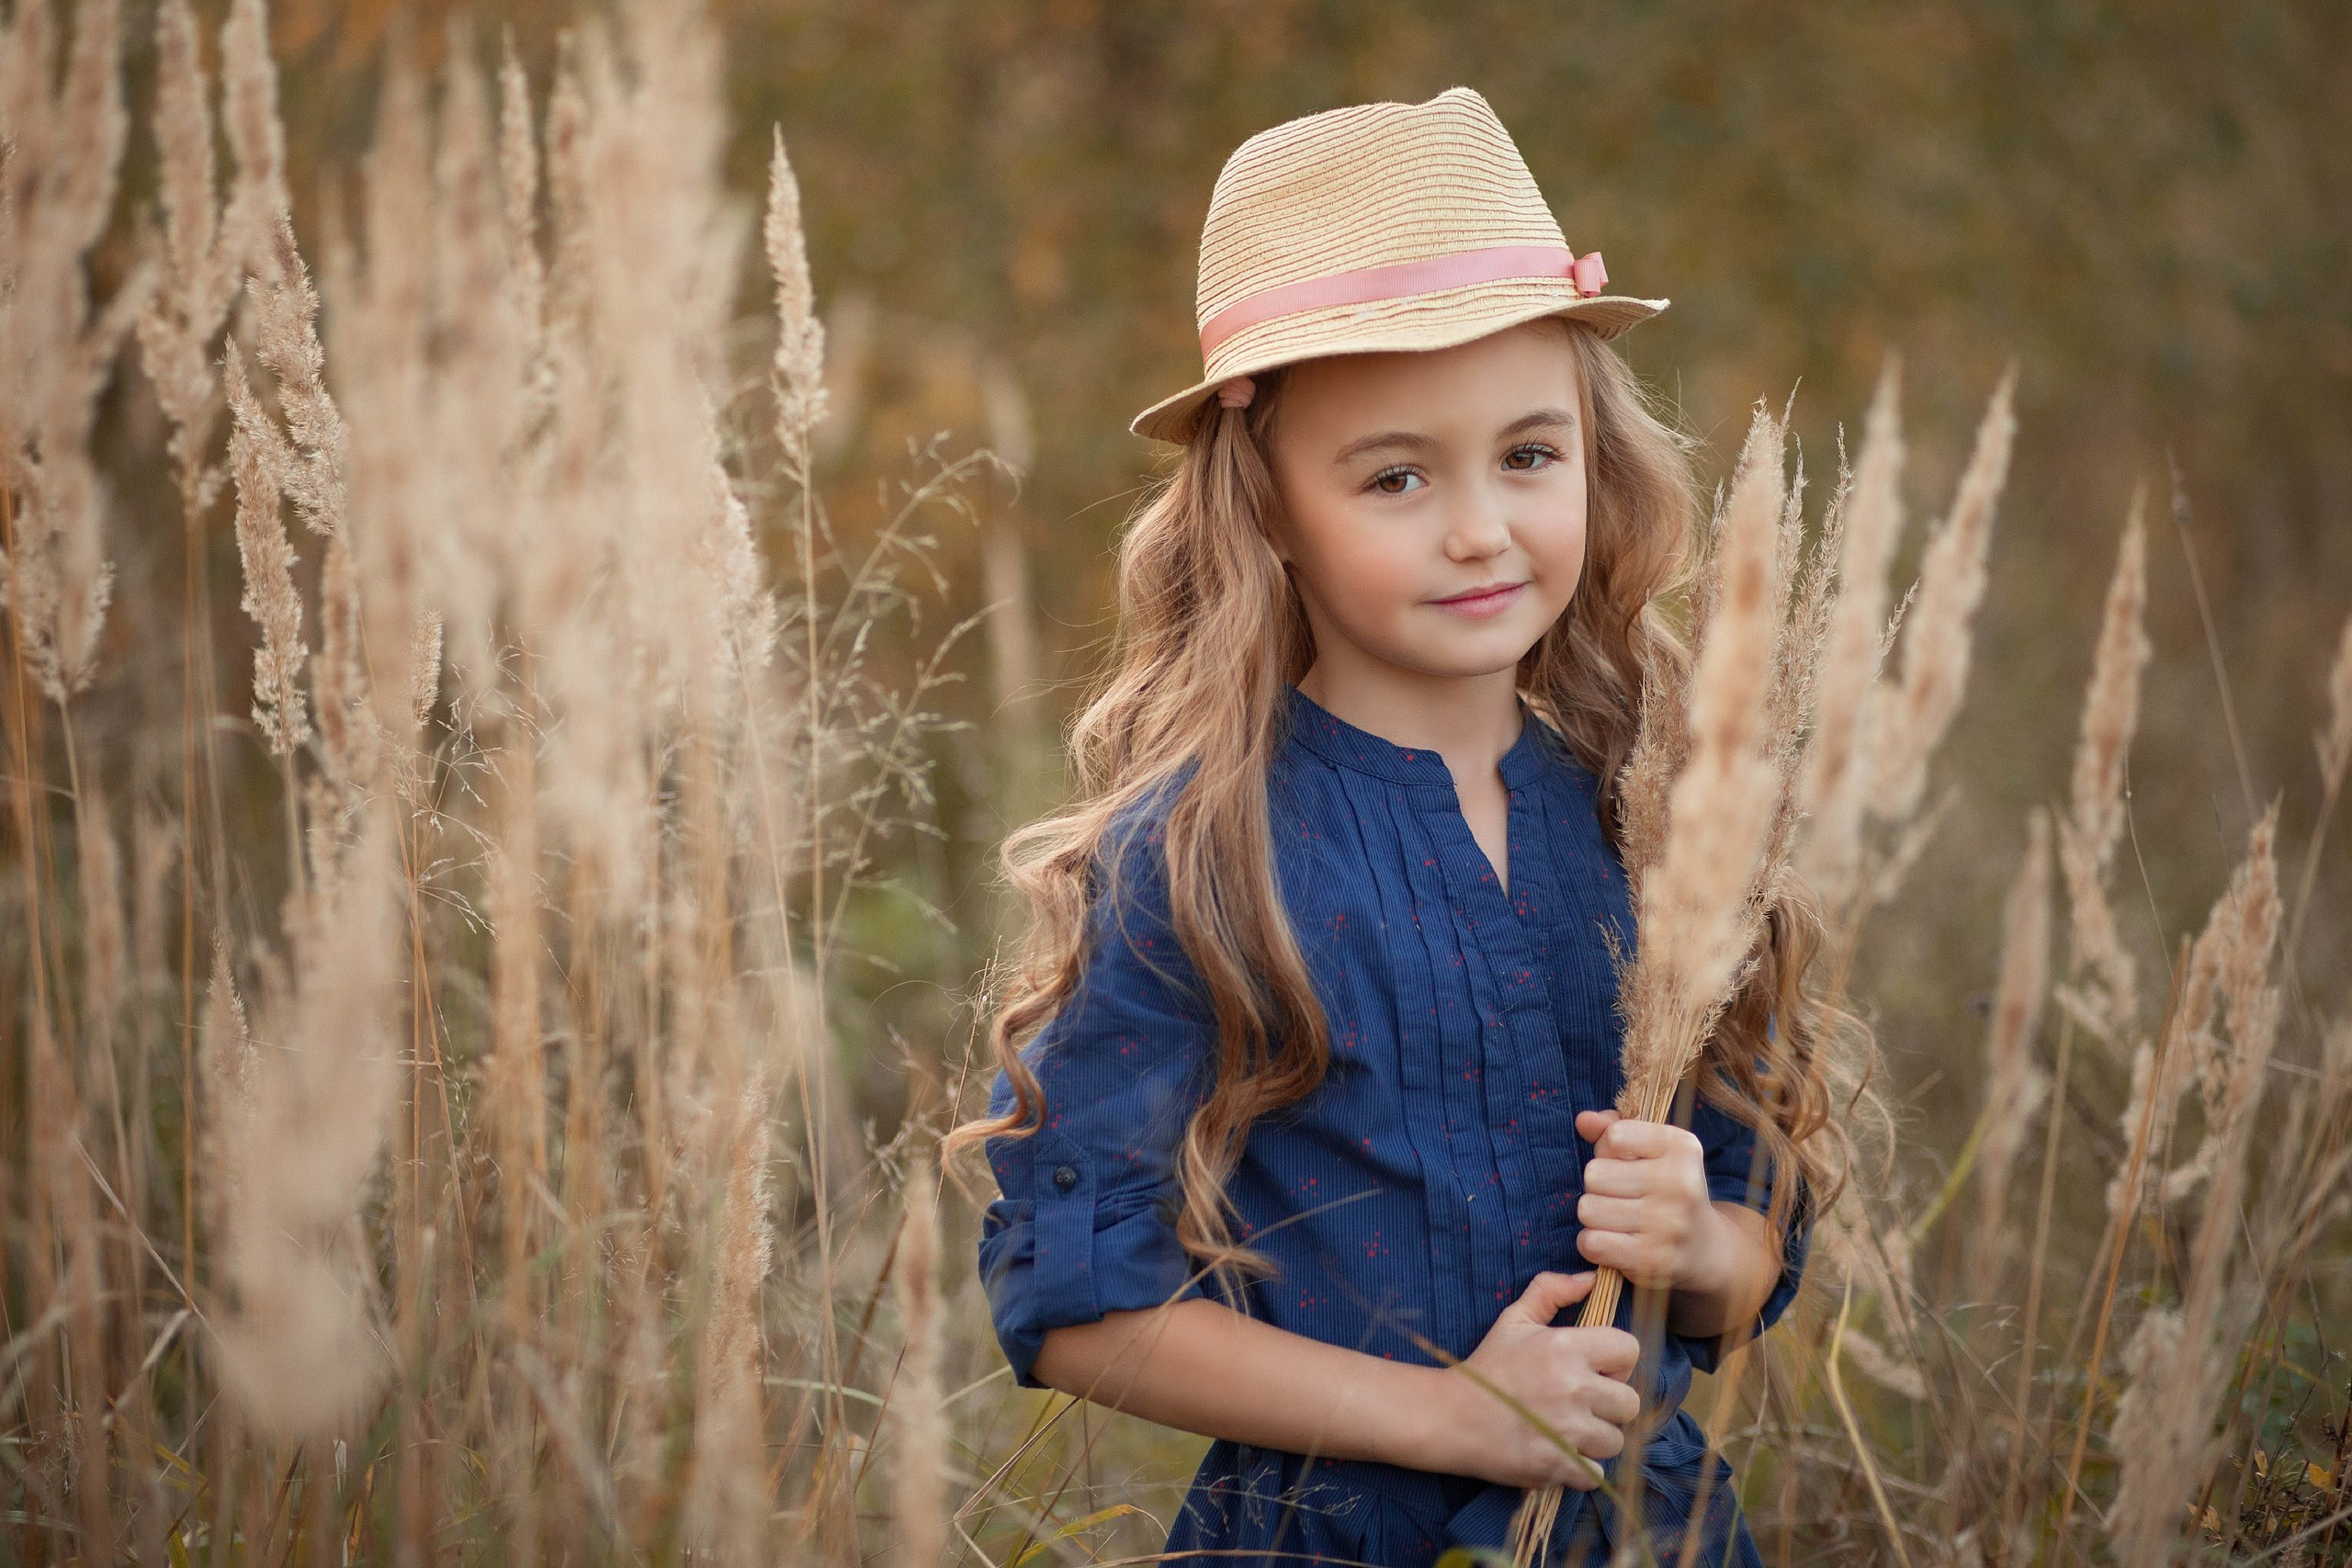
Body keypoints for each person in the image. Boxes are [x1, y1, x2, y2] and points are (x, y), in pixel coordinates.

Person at [946, 86, 1843, 1567]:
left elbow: (1756, 1249)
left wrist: (1697, 1246)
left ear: (1593, 463)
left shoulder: (1660, 829)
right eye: (1397, 476)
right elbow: (1076, 1309)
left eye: (1530, 456)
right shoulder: (1198, 856)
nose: (1481, 527)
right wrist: (1451, 1417)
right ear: (1273, 508)